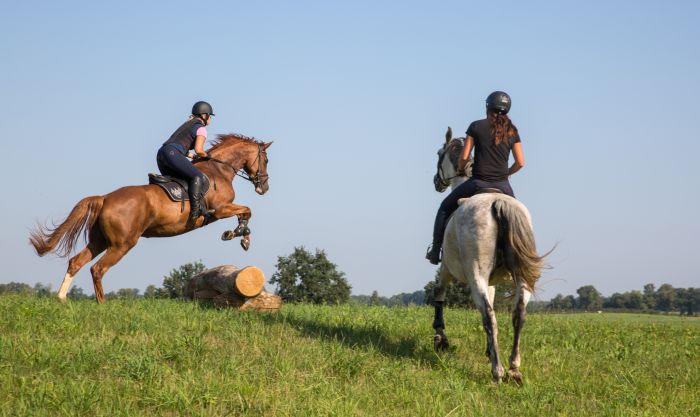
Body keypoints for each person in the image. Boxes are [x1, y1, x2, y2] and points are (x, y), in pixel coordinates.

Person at [426, 91, 525, 264]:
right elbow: (520, 162)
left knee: (444, 207)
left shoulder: (476, 126)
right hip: (504, 186)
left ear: (487, 107)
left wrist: (462, 167)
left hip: (478, 183)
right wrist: (506, 174)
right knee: (518, 218)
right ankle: (520, 256)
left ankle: (435, 251)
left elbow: (464, 158)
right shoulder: (512, 131)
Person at [156, 101, 214, 223]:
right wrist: (208, 156)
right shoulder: (201, 128)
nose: (210, 120)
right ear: (205, 115)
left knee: (180, 180)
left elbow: (181, 147)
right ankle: (195, 211)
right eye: (210, 116)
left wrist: (192, 157)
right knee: (198, 176)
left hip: (162, 153)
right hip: (172, 153)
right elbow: (199, 150)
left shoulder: (187, 124)